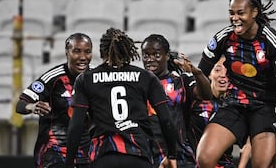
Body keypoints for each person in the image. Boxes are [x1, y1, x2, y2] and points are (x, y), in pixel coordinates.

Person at [196, 0, 276, 168]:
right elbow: (200, 73)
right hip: (235, 104)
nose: (235, 18)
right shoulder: (223, 37)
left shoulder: (273, 42)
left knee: (262, 165)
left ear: (254, 13)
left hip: (266, 107)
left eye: (240, 13)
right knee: (205, 158)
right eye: (231, 13)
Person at [65, 28, 178, 168]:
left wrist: (69, 163)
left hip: (103, 157)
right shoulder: (146, 77)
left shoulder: (85, 79)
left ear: (101, 52)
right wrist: (172, 155)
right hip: (138, 156)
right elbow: (167, 120)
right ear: (127, 51)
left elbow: (76, 126)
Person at [16, 33, 93, 168]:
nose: (83, 57)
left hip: (86, 153)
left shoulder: (95, 78)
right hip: (54, 152)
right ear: (67, 53)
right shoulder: (53, 78)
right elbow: (20, 105)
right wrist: (32, 107)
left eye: (87, 52)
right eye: (77, 51)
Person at [141, 34, 212, 168]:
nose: (150, 60)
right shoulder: (139, 84)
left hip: (180, 157)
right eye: (146, 55)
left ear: (167, 56)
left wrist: (198, 74)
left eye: (156, 55)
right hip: (148, 157)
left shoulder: (181, 81)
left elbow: (206, 95)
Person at [189, 56, 251, 168]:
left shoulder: (236, 107)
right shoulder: (195, 100)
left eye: (227, 71)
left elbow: (248, 142)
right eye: (217, 70)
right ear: (209, 74)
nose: (223, 75)